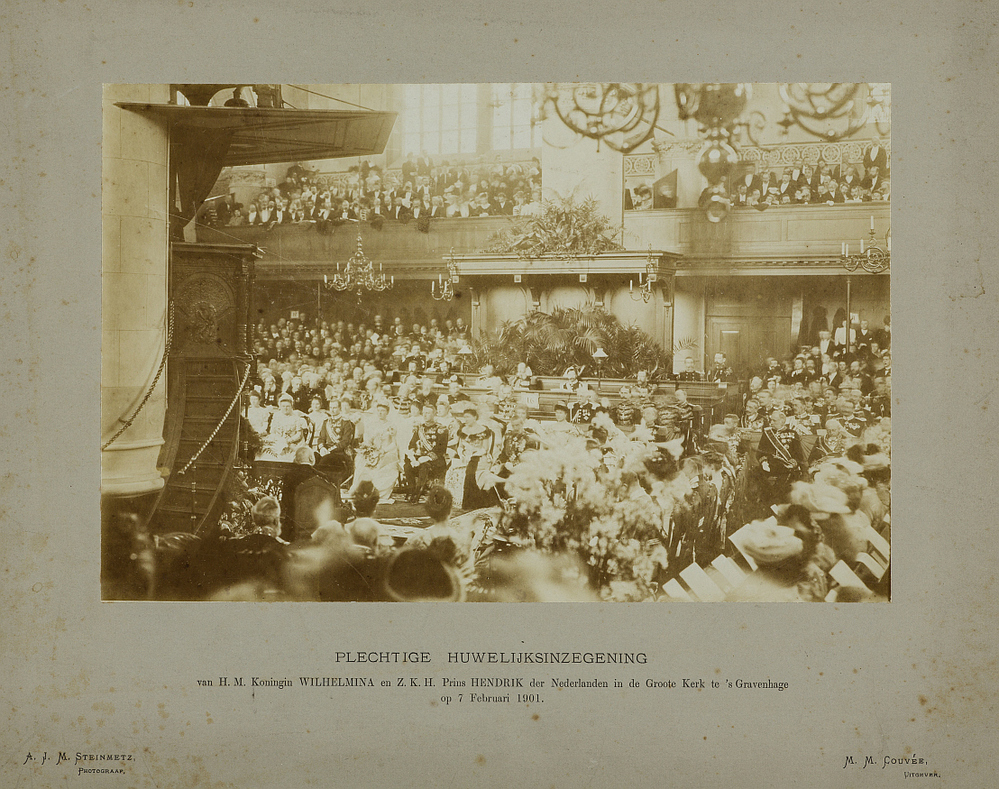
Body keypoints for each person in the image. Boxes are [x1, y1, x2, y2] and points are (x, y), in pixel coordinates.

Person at [349, 401, 399, 504]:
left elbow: (394, 444)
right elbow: (368, 440)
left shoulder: (391, 425)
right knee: (360, 459)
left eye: (383, 411)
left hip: (387, 451)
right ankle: (360, 488)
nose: (380, 413)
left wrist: (383, 451)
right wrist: (368, 449)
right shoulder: (372, 424)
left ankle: (377, 491)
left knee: (384, 462)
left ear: (387, 412)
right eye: (379, 410)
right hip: (373, 451)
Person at [403, 403, 450, 502]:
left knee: (424, 466)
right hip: (419, 458)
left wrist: (424, 458)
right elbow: (412, 444)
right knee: (407, 465)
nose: (424, 415)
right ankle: (411, 489)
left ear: (434, 414)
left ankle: (417, 492)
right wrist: (412, 456)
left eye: (428, 413)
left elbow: (440, 449)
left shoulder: (441, 429)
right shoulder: (419, 428)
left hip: (435, 460)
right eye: (424, 412)